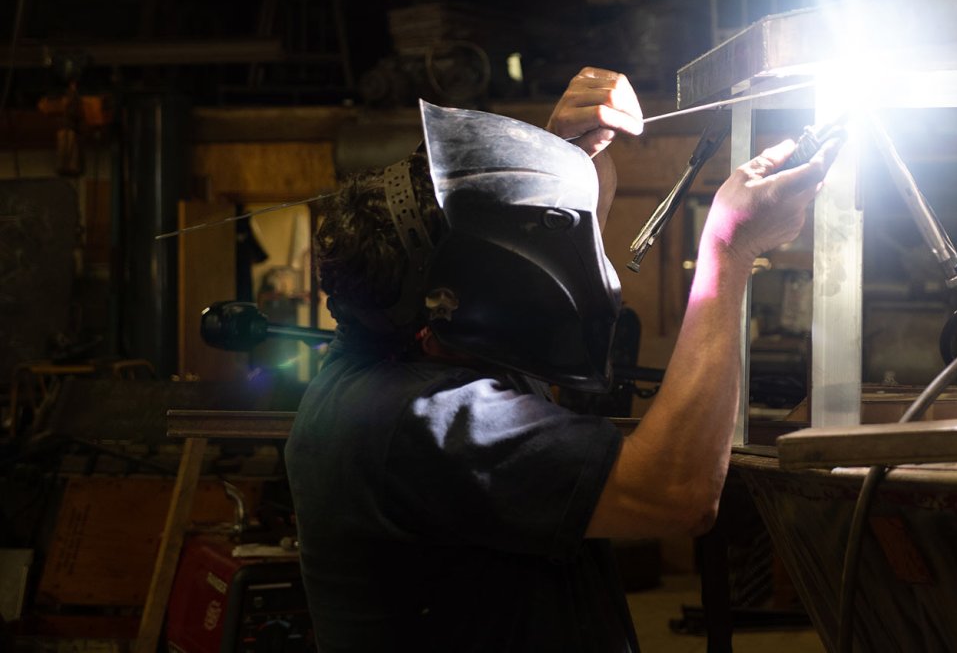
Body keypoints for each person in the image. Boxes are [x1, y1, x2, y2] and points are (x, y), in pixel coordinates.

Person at [284, 66, 838, 652]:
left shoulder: (384, 346)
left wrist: (550, 163)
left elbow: (534, 280)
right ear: (447, 312)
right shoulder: (426, 420)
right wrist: (730, 247)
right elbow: (676, 492)